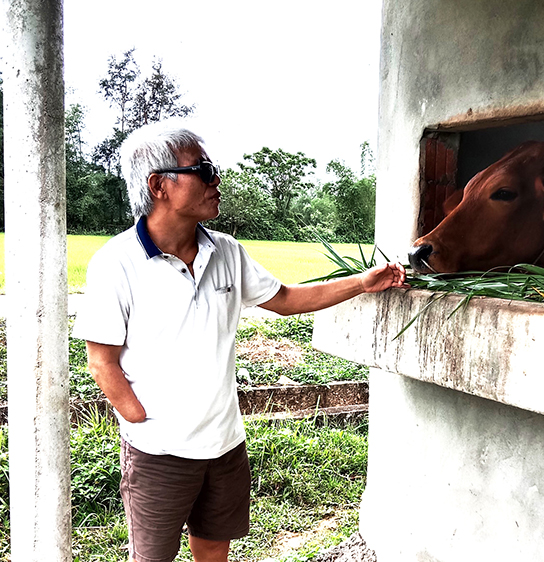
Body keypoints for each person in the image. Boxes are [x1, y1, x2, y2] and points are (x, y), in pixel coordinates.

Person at [71, 121, 406, 562]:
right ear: (159, 186)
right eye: (202, 170)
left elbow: (285, 299)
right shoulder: (116, 263)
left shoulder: (226, 251)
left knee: (214, 550)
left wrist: (363, 282)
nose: (217, 180)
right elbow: (102, 362)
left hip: (225, 445)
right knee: (152, 558)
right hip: (159, 452)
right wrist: (143, 419)